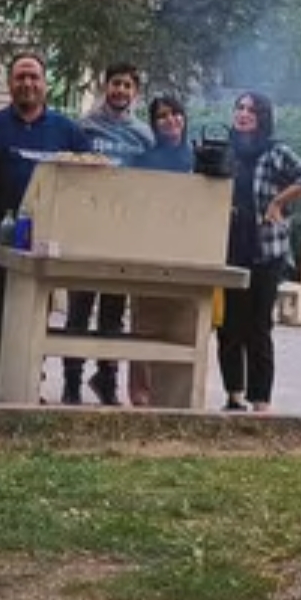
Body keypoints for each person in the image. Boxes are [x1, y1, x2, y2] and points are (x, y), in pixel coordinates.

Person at [0, 51, 92, 402]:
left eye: (34, 77)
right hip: (2, 239)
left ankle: (28, 384)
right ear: (10, 84)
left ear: (45, 84)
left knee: (37, 313)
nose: (27, 83)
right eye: (20, 77)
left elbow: (91, 177)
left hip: (48, 242)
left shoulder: (67, 131)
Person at [217, 91, 301, 415]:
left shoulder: (274, 152)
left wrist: (280, 201)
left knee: (258, 327)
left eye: (251, 110)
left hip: (267, 250)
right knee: (229, 327)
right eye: (239, 108)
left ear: (262, 117)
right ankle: (234, 396)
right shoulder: (225, 151)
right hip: (228, 249)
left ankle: (261, 401)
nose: (243, 114)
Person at [63, 61, 154, 406]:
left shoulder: (144, 135)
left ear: (135, 92)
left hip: (123, 235)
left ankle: (107, 380)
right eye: (116, 83)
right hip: (86, 231)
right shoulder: (84, 128)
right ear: (105, 87)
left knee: (113, 314)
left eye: (127, 85)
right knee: (79, 310)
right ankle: (72, 383)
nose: (120, 90)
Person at [126, 95, 195, 406]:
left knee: (184, 327)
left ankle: (177, 400)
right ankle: (141, 395)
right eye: (162, 116)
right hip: (150, 251)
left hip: (189, 254)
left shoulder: (200, 158)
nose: (171, 120)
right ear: (153, 124)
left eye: (176, 113)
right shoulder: (143, 160)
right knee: (145, 324)